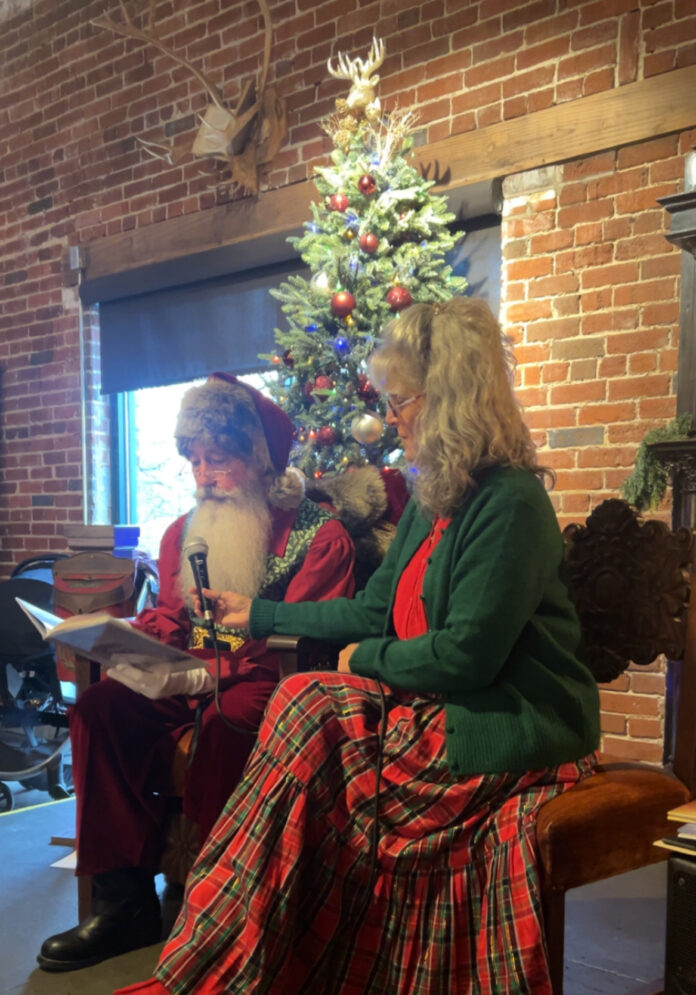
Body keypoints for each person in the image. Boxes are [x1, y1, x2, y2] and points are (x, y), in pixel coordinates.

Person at [116, 298, 601, 995]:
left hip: (508, 721)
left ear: (452, 398)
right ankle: (245, 946)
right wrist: (257, 614)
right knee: (307, 706)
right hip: (438, 703)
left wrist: (360, 661)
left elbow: (467, 658)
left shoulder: (511, 503)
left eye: (401, 399)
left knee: (311, 705)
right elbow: (374, 609)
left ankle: (244, 951)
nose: (393, 415)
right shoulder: (439, 496)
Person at [37, 373, 356, 973]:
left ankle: (218, 903)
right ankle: (124, 904)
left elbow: (319, 628)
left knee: (230, 719)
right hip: (185, 677)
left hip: (266, 680)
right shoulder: (182, 532)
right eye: (194, 461)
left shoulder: (320, 536)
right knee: (101, 709)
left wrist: (231, 661)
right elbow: (168, 619)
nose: (204, 477)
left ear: (260, 461)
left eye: (219, 460)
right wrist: (125, 637)